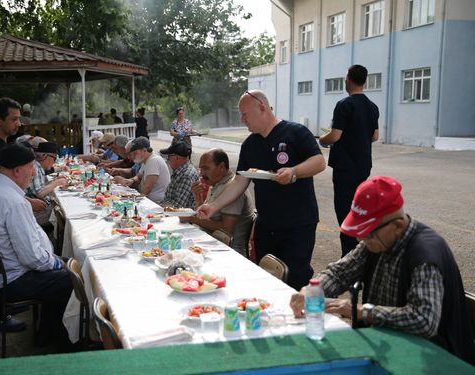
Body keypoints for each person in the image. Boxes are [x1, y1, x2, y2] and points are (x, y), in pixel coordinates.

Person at [289, 176, 475, 365]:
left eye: (369, 234)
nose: (364, 240)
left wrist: (364, 312)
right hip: (389, 344)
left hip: (433, 359)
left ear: (398, 226)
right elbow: (339, 272)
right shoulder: (376, 241)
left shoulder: (425, 256)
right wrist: (313, 290)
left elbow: (423, 320)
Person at [197, 90, 326, 290]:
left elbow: (319, 162)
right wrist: (213, 206)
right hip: (267, 225)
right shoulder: (250, 144)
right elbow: (240, 182)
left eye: (244, 114)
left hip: (298, 223)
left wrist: (294, 171)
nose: (242, 119)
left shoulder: (295, 132)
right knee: (267, 278)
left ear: (262, 108)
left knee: (295, 277)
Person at [0, 144, 74, 351]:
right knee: (72, 278)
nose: (34, 172)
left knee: (67, 267)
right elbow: (33, 259)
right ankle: (52, 339)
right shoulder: (14, 202)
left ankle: (48, 331)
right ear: (17, 170)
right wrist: (58, 262)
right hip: (14, 280)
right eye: (31, 168)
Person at [320, 64, 380, 257]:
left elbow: (335, 136)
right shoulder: (372, 107)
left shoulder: (344, 105)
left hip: (345, 167)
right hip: (363, 166)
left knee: (345, 212)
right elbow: (375, 136)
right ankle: (363, 250)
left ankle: (349, 256)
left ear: (348, 80)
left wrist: (322, 139)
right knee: (360, 209)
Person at [183, 149, 256, 256]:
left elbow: (226, 229)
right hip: (210, 242)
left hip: (229, 251)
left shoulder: (232, 189)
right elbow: (205, 218)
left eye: (206, 168)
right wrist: (198, 198)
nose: (202, 173)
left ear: (221, 167)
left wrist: (190, 218)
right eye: (200, 169)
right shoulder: (216, 184)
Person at [115, 137, 170, 203]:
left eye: (135, 153)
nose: (131, 157)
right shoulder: (146, 160)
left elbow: (147, 189)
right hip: (149, 200)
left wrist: (133, 200)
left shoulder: (154, 161)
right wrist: (131, 180)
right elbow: (138, 177)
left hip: (156, 202)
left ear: (144, 150)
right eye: (130, 154)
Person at [27, 141, 67, 228]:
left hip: (40, 207)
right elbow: (39, 193)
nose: (54, 162)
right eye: (54, 158)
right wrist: (56, 183)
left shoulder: (39, 167)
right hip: (38, 211)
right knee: (66, 213)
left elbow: (41, 186)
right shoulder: (36, 167)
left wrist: (54, 181)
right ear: (45, 156)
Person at [159, 141, 198, 209]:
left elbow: (177, 207)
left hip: (181, 217)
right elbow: (167, 199)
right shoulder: (179, 171)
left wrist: (161, 206)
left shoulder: (186, 176)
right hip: (171, 213)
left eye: (168, 157)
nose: (167, 160)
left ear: (177, 158)